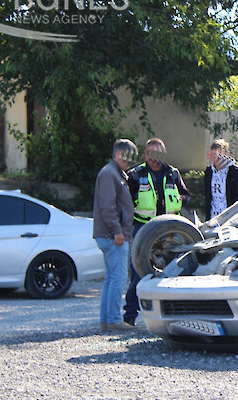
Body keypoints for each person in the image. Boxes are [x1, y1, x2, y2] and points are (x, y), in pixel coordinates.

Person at [123, 137, 191, 326]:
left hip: (169, 229)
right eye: (151, 153)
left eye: (158, 153)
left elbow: (186, 194)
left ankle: (174, 315)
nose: (154, 157)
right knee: (138, 271)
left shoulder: (173, 173)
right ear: (145, 154)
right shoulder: (135, 175)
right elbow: (124, 202)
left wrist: (179, 199)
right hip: (143, 228)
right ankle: (130, 315)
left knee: (173, 270)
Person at [93, 139, 138, 332]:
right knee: (118, 278)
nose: (130, 161)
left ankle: (107, 320)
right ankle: (113, 320)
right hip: (113, 236)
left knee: (112, 278)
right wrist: (117, 231)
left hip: (112, 234)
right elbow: (107, 206)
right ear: (119, 154)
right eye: (127, 156)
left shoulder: (114, 173)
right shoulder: (109, 174)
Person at [204, 139, 238, 221]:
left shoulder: (236, 173)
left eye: (219, 155)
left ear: (226, 154)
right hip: (212, 218)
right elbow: (208, 197)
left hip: (229, 218)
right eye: (214, 155)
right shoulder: (209, 172)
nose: (216, 158)